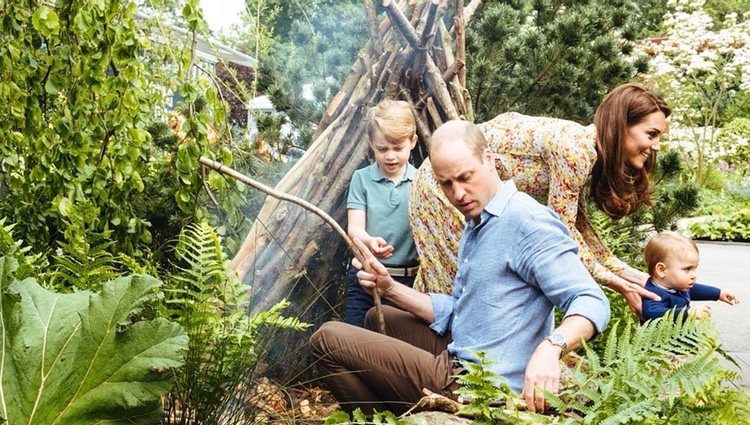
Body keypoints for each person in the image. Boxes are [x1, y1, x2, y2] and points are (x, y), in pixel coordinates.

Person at [310, 120, 610, 415]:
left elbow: (591, 301)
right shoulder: (477, 222)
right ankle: (393, 412)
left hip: (480, 384)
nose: (458, 194)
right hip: (467, 349)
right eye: (446, 183)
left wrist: (552, 347)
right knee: (377, 316)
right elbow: (461, 311)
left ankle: (382, 419)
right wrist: (390, 288)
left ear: (489, 160)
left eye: (466, 177)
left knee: (327, 338)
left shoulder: (527, 221)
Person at [410, 83, 670, 318]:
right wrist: (616, 283)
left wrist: (632, 276)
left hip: (456, 185)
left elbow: (579, 225)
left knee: (453, 281)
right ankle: (450, 365)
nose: (656, 145)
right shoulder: (576, 151)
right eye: (651, 134)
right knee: (462, 287)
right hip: (440, 185)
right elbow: (563, 233)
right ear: (622, 125)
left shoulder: (585, 150)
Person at [345, 100, 420, 327]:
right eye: (382, 149)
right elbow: (354, 228)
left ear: (413, 142)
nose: (390, 156)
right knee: (357, 343)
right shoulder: (362, 179)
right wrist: (369, 241)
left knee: (397, 349)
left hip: (408, 282)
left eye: (398, 148)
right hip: (366, 276)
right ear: (371, 144)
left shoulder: (421, 182)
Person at [641, 231, 739, 322]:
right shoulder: (653, 294)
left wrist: (719, 293)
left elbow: (694, 290)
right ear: (661, 270)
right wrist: (687, 313)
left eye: (694, 269)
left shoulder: (677, 286)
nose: (693, 275)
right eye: (687, 269)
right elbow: (651, 313)